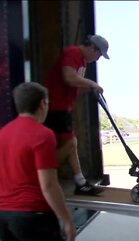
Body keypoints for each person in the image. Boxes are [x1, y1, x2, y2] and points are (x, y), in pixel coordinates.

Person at [0, 82, 76, 241]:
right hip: (34, 216)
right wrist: (66, 219)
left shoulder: (3, 133)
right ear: (42, 104)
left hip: (4, 216)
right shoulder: (42, 135)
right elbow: (48, 185)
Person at [44, 34, 110, 195]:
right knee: (71, 144)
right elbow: (69, 78)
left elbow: (75, 87)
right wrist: (92, 83)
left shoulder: (82, 61)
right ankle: (41, 173)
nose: (98, 59)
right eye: (99, 55)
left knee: (71, 144)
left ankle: (80, 182)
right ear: (92, 48)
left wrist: (90, 89)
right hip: (55, 106)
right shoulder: (73, 53)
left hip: (63, 107)